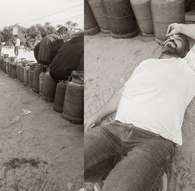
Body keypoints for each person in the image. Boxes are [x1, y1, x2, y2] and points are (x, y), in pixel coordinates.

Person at [84, 23, 195, 191]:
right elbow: (123, 92)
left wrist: (179, 27)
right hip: (113, 131)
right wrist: (97, 115)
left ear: (186, 50)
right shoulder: (146, 64)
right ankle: (109, 172)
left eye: (178, 39)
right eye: (169, 38)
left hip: (154, 141)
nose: (171, 38)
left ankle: (150, 178)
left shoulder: (188, 67)